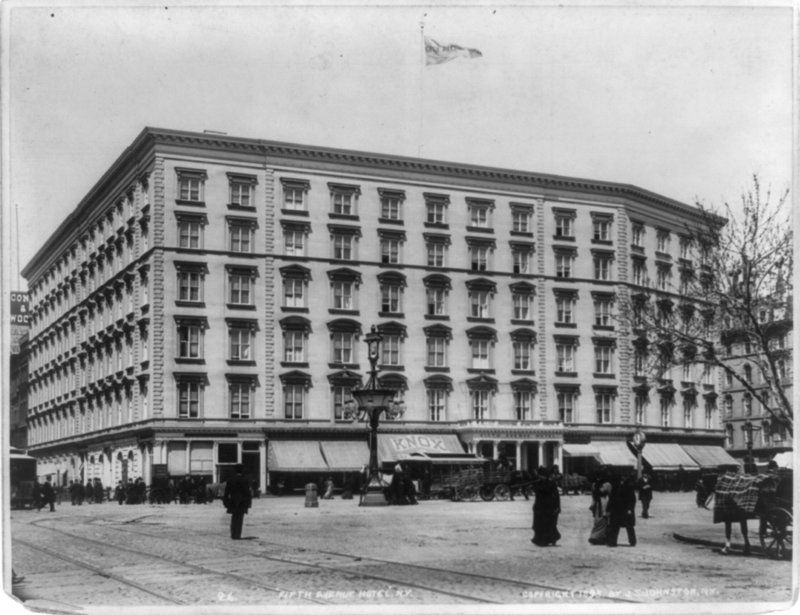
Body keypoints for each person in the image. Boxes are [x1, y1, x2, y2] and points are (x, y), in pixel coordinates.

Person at [531, 467, 561, 546]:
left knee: (549, 524)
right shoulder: (538, 483)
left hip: (549, 506)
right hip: (539, 506)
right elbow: (537, 494)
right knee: (538, 524)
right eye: (540, 476)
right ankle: (539, 539)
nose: (541, 477)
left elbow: (557, 496)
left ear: (545, 476)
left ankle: (549, 539)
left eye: (542, 476)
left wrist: (558, 506)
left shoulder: (551, 483)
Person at [223, 464, 252, 540]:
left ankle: (233, 534)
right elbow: (247, 493)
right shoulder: (245, 480)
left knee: (234, 517)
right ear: (242, 471)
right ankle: (237, 534)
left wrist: (225, 502)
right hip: (242, 501)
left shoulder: (230, 480)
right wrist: (248, 503)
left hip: (233, 501)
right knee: (240, 518)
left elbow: (226, 492)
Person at [607, 475, 637, 547]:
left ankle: (632, 541)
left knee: (629, 526)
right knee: (614, 526)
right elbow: (611, 499)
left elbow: (632, 500)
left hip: (626, 509)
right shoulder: (615, 487)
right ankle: (612, 542)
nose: (622, 479)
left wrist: (630, 509)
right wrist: (608, 509)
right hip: (616, 509)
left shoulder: (629, 487)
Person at [588, 471, 612, 545]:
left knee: (602, 520)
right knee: (601, 520)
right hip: (602, 503)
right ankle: (597, 537)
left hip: (600, 503)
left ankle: (597, 537)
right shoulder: (607, 484)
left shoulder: (596, 485)